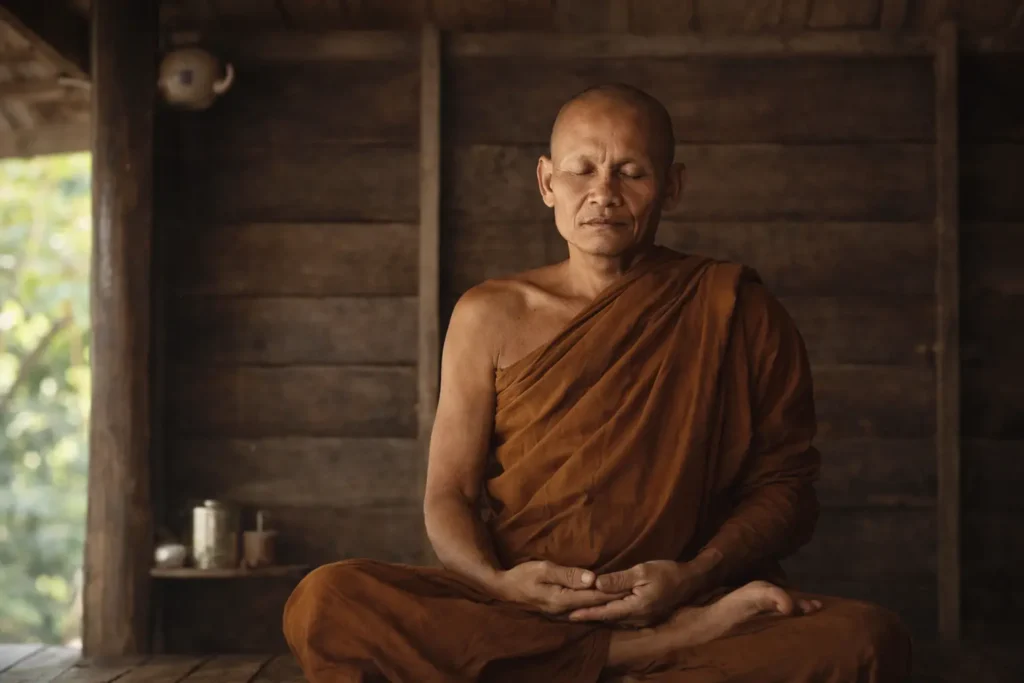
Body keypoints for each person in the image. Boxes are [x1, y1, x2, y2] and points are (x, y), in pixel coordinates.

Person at [282, 83, 912, 682]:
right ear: (546, 182)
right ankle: (635, 655)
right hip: (523, 605)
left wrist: (692, 577)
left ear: (673, 185)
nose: (603, 193)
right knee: (326, 602)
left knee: (866, 641)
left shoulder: (734, 307)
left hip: (682, 595)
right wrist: (500, 584)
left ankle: (573, 664)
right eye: (582, 169)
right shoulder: (490, 313)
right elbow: (448, 494)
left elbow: (786, 490)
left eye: (631, 172)